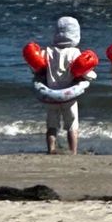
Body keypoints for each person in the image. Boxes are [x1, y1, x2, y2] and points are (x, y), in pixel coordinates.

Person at [44, 15, 86, 156]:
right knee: (72, 125)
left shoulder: (48, 51)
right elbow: (84, 73)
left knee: (52, 125)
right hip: (69, 95)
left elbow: (38, 69)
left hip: (50, 94)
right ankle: (73, 150)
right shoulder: (75, 52)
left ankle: (51, 148)